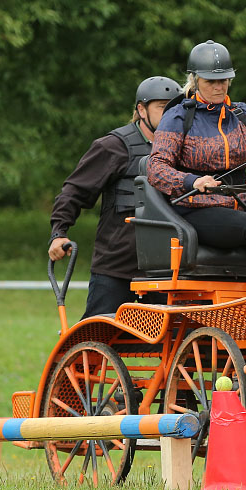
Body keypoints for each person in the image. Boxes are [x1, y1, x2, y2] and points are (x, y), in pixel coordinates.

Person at [147, 40, 246, 286]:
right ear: (196, 79)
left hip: (239, 204)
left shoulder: (240, 115)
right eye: (211, 81)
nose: (218, 86)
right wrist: (192, 181)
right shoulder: (178, 116)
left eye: (223, 80)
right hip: (195, 207)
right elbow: (156, 168)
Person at [49, 76, 182, 318]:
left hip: (168, 272)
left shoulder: (187, 150)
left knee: (185, 341)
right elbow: (74, 191)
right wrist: (59, 233)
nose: (171, 114)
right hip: (117, 267)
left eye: (175, 108)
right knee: (94, 338)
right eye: (163, 107)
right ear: (141, 110)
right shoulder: (113, 146)